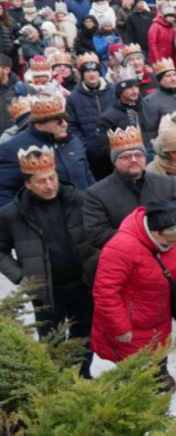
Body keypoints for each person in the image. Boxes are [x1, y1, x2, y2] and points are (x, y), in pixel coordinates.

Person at [0, 145, 96, 375]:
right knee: (51, 341)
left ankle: (82, 376)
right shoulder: (12, 214)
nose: (49, 185)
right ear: (28, 184)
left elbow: (96, 234)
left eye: (52, 178)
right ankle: (58, 381)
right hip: (46, 291)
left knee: (85, 334)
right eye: (41, 181)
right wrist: (23, 277)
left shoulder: (79, 200)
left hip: (82, 284)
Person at [90, 199, 176, 379]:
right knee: (135, 375)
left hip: (158, 317)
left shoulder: (175, 239)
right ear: (155, 232)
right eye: (170, 241)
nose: (174, 245)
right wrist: (120, 327)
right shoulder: (120, 248)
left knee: (159, 359)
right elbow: (105, 292)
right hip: (130, 324)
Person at [82, 125, 176, 256]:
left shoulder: (166, 183)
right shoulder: (97, 194)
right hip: (126, 260)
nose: (134, 160)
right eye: (126, 156)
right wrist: (145, 237)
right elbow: (97, 234)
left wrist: (163, 232)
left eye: (138, 155)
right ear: (115, 161)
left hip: (166, 254)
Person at [0, 94, 95, 206]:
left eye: (65, 119)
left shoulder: (74, 141)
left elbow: (88, 176)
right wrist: (22, 219)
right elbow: (4, 191)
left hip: (82, 211)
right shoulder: (12, 148)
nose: (65, 124)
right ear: (40, 125)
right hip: (44, 218)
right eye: (58, 121)